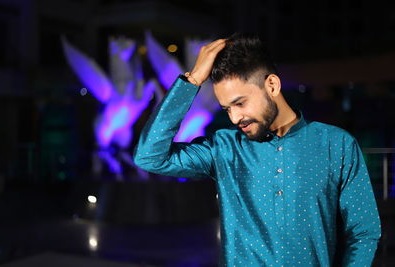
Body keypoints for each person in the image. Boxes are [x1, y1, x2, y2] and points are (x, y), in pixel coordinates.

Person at [134, 35, 381, 266]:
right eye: (227, 108)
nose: (234, 117)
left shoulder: (335, 144)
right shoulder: (224, 148)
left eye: (240, 103)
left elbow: (364, 231)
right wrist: (192, 80)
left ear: (272, 85)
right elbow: (149, 157)